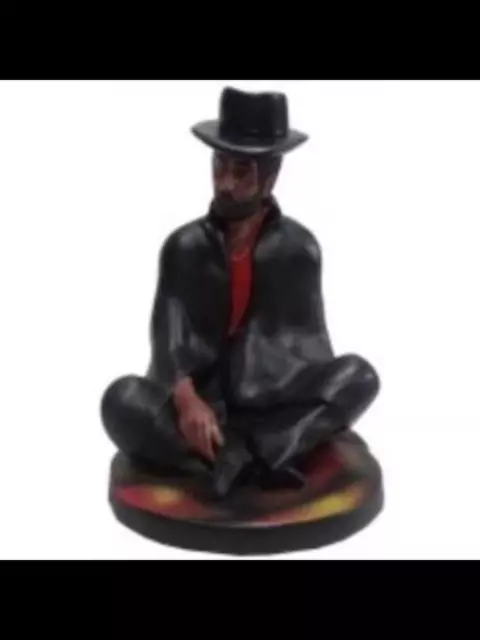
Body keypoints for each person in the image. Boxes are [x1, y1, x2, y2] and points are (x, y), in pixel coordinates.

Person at [100, 86, 380, 499]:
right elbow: (169, 341)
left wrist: (273, 387)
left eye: (241, 172)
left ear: (270, 178)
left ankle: (255, 454)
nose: (225, 183)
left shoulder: (298, 249)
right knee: (121, 399)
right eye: (219, 166)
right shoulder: (184, 247)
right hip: (203, 404)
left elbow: (309, 341)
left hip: (275, 406)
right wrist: (187, 400)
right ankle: (236, 461)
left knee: (360, 376)